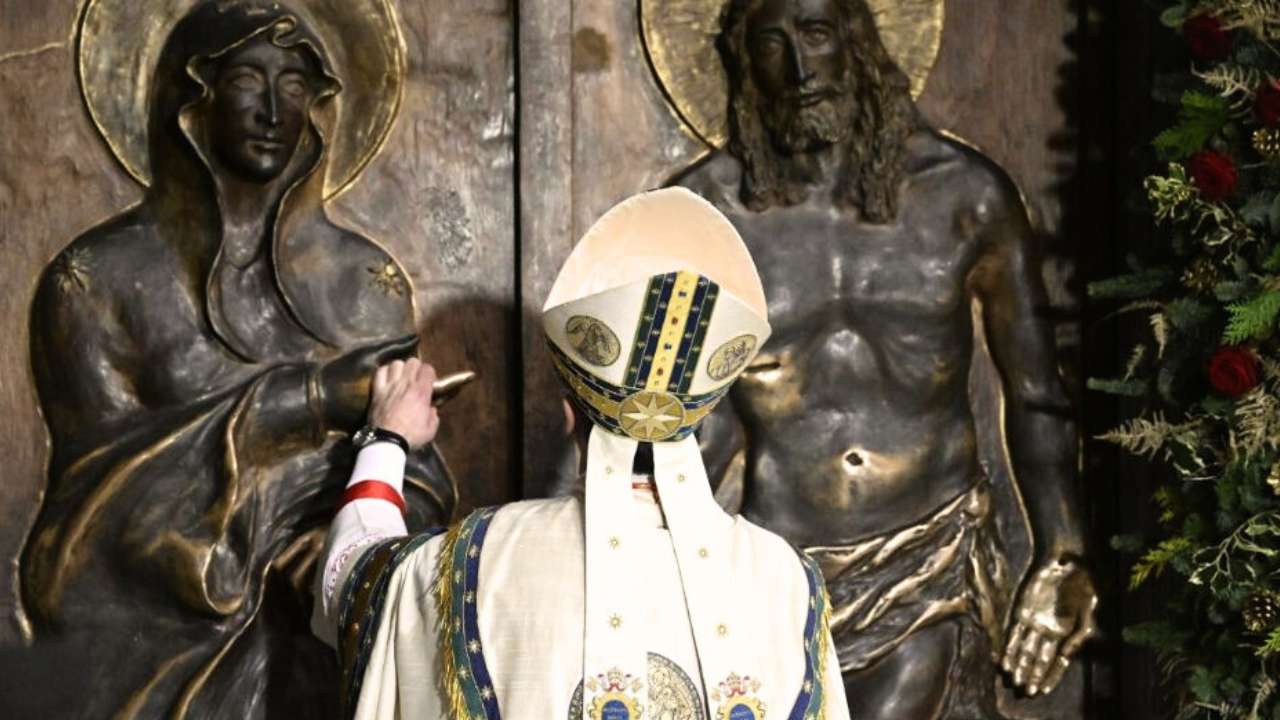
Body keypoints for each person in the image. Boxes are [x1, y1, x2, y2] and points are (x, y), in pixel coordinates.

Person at [10, 2, 454, 717]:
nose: (275, 108)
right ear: (193, 97)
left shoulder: (365, 284)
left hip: (320, 653)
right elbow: (87, 516)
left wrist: (339, 546)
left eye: (296, 82)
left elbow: (421, 470)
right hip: (155, 665)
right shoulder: (97, 282)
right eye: (249, 78)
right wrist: (309, 400)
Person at [672, 0, 1098, 715]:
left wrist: (1061, 553)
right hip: (773, 573)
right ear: (744, 62)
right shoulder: (702, 213)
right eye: (773, 44)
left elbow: (1035, 394)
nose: (801, 68)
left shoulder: (965, 197)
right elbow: (677, 421)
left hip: (932, 557)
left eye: (816, 34)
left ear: (858, 42)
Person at [313, 187, 849, 719]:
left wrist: (387, 438)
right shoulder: (789, 585)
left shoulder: (477, 564)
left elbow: (351, 580)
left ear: (569, 413)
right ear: (698, 419)